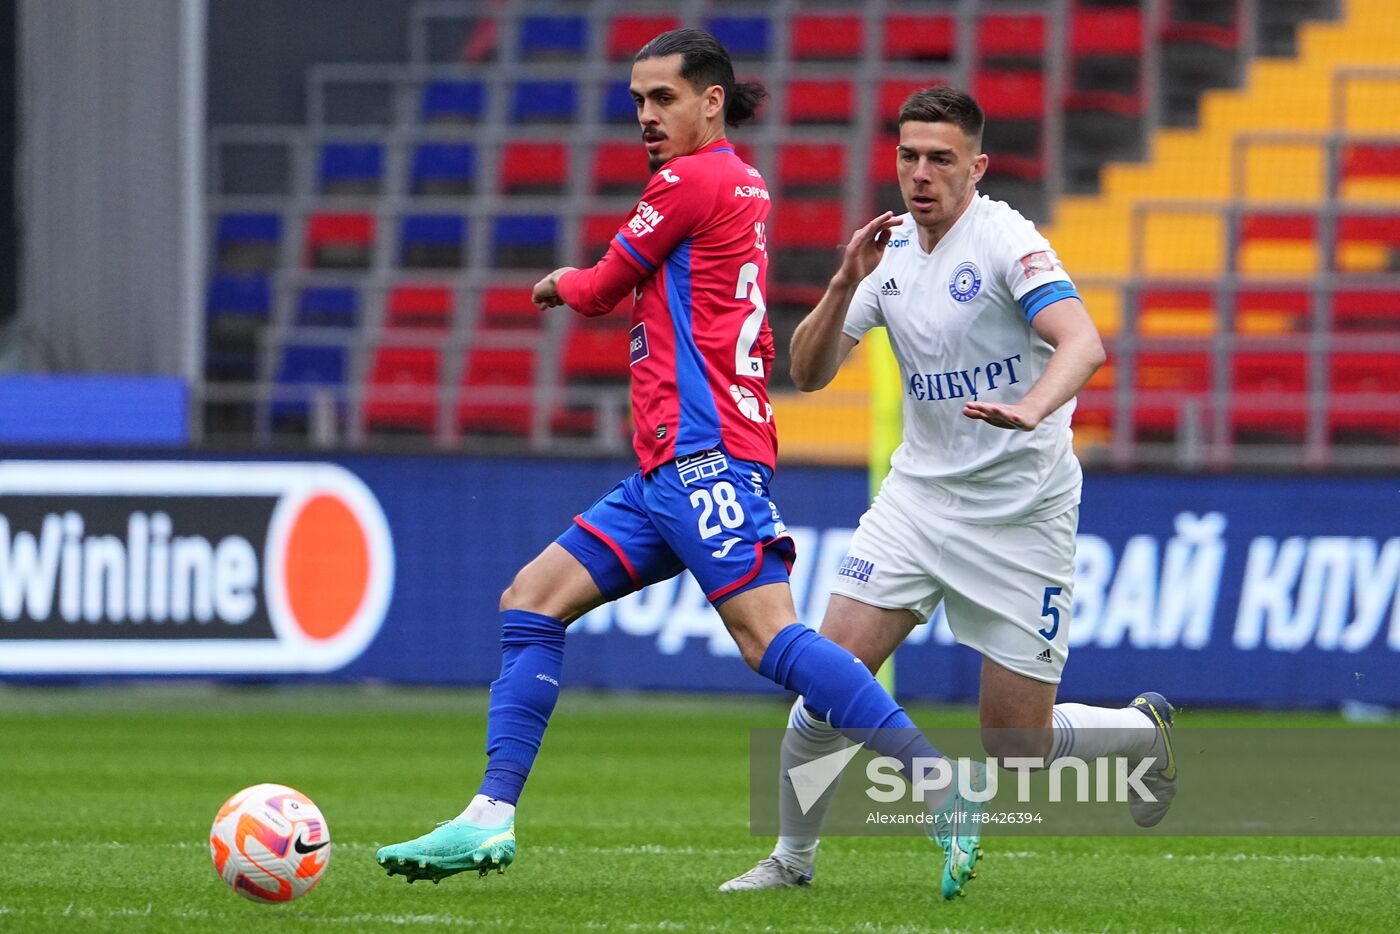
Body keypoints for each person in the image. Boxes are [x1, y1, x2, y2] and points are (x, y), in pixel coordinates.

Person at [375, 32, 979, 893]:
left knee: (768, 638)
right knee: (532, 598)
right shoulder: (738, 184)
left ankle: (939, 786)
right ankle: (488, 816)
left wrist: (555, 282)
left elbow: (600, 287)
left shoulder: (694, 180)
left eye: (663, 98)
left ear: (711, 102)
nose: (647, 117)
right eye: (637, 102)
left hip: (705, 459)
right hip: (668, 467)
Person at [720, 87, 1178, 897]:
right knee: (828, 680)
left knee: (1016, 750)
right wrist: (838, 286)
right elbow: (807, 373)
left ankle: (1141, 733)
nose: (921, 174)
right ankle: (791, 861)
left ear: (977, 167)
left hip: (1022, 515)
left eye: (940, 158)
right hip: (917, 506)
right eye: (908, 156)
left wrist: (1033, 408)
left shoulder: (1006, 240)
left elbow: (1084, 341)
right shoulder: (887, 252)